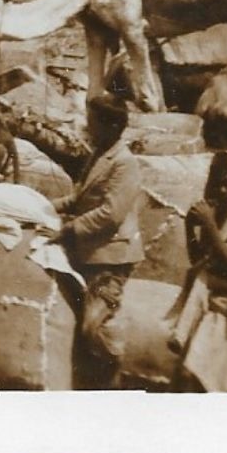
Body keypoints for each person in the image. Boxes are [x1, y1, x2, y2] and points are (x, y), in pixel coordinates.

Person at [48, 95, 145, 389]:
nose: (88, 128)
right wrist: (45, 206)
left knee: (94, 327)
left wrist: (67, 230)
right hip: (88, 250)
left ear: (112, 125)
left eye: (93, 122)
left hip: (110, 256)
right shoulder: (98, 155)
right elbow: (79, 198)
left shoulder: (125, 163)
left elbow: (110, 214)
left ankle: (114, 381)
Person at [168, 149, 227, 392]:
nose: (221, 192)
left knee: (197, 378)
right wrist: (191, 229)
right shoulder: (223, 217)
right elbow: (201, 262)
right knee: (186, 376)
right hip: (210, 308)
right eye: (216, 184)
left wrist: (209, 225)